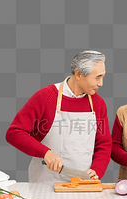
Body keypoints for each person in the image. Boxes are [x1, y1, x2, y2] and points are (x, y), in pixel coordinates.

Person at [6, 50, 112, 182]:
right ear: (78, 74)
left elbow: (104, 144)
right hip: (45, 183)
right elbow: (14, 133)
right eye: (97, 77)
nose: (101, 83)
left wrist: (97, 170)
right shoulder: (46, 97)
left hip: (83, 184)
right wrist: (45, 152)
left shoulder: (98, 104)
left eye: (103, 77)